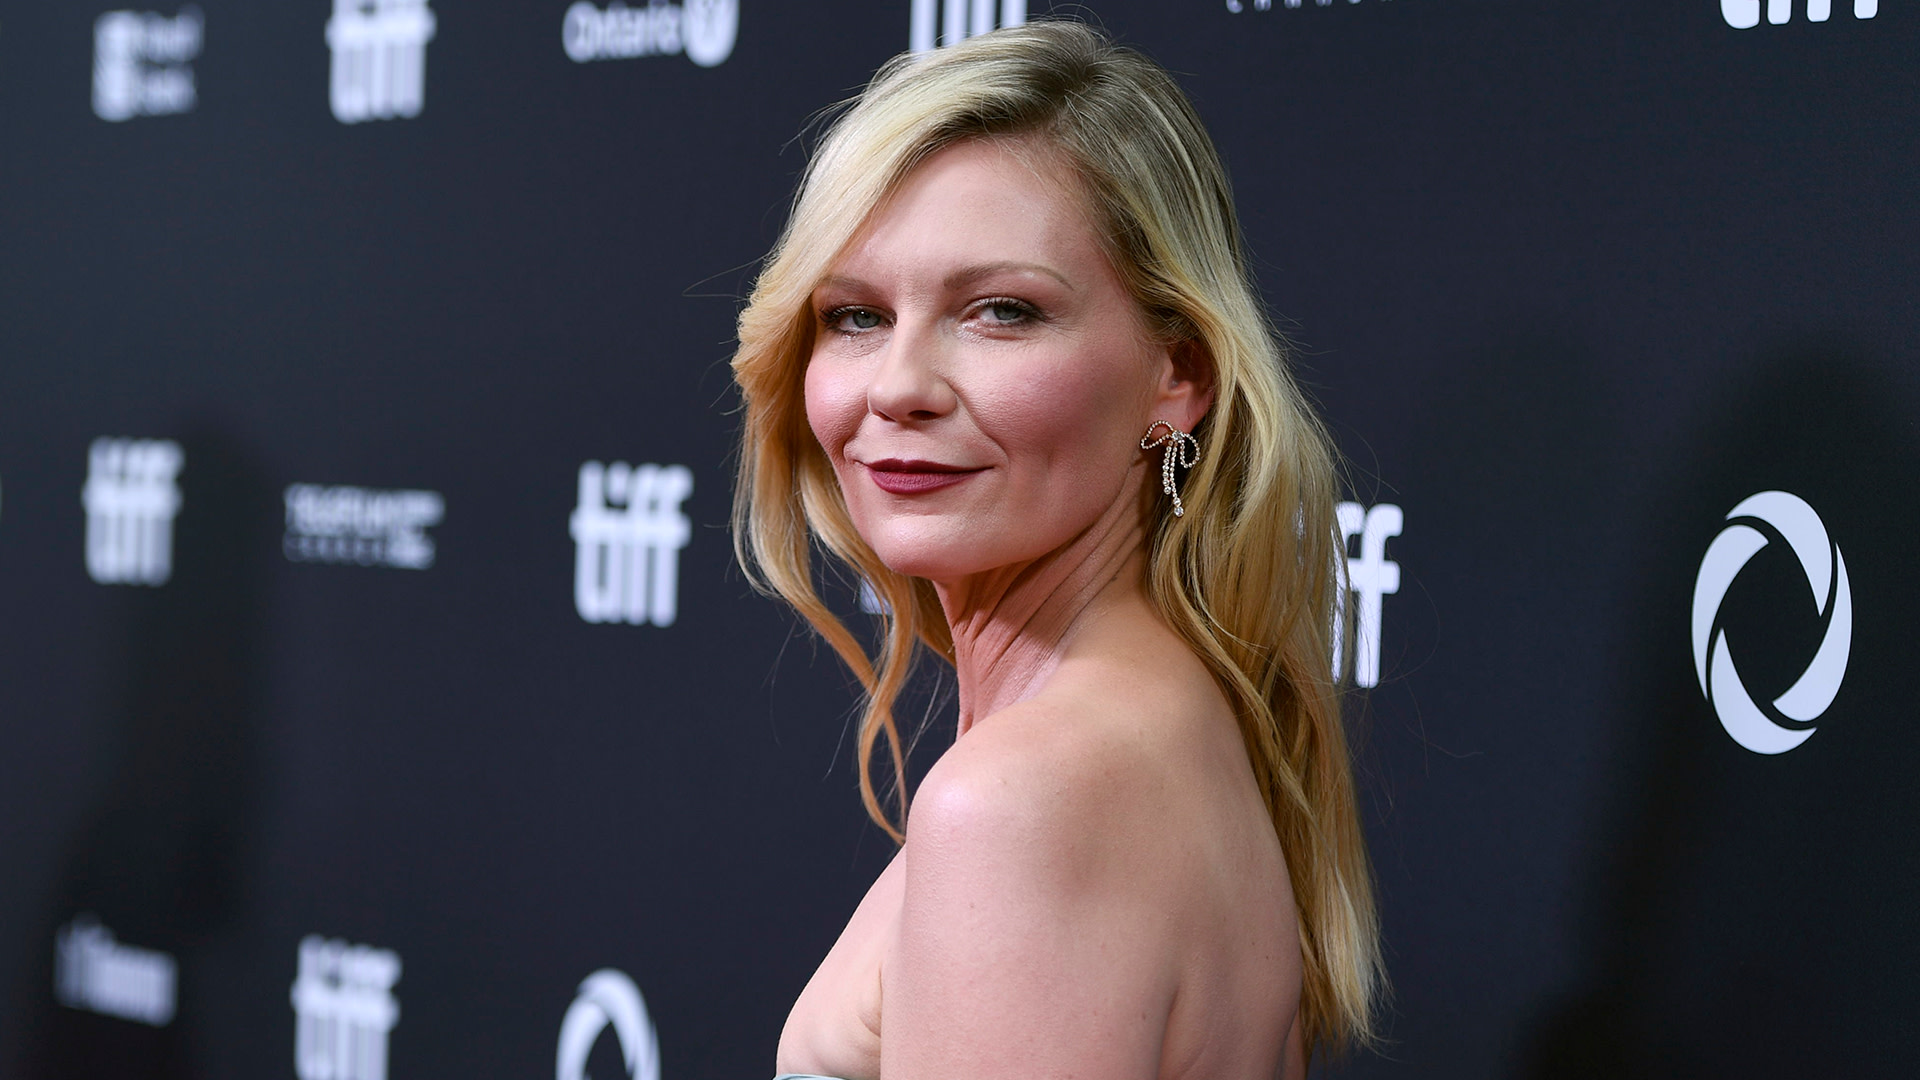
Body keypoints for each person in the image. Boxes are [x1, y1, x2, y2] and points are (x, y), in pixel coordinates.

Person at [730, 20, 1383, 1080]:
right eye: (853, 316)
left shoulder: (1025, 800)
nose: (897, 385)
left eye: (1000, 312)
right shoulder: (1176, 720)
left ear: (1179, 375)